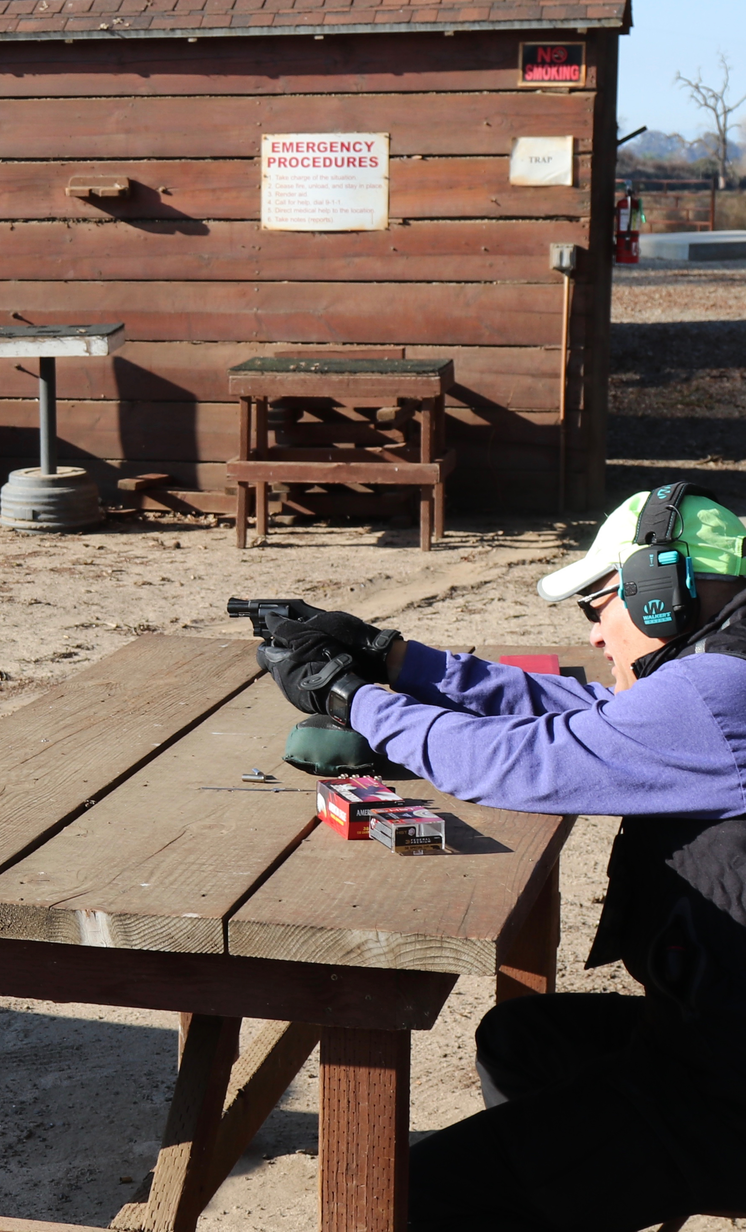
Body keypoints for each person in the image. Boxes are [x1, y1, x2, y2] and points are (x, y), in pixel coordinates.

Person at [254, 483, 746, 1232]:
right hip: (708, 1035)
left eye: (598, 606)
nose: (596, 637)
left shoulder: (718, 696)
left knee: (414, 1196)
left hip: (726, 1095)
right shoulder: (724, 665)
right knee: (523, 1042)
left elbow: (515, 763)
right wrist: (398, 659)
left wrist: (353, 698)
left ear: (659, 590)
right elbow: (584, 713)